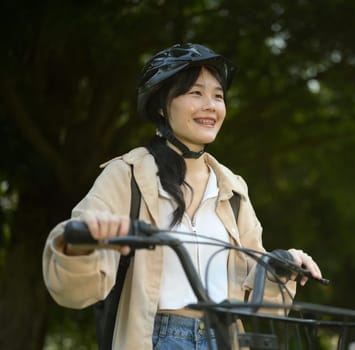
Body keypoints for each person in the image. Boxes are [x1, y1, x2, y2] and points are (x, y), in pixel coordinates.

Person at [42, 43, 322, 350]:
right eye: (195, 93)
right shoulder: (127, 175)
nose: (211, 105)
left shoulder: (233, 188)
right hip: (155, 338)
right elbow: (73, 290)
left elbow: (258, 301)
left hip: (224, 339)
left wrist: (282, 265)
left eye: (218, 95)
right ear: (162, 105)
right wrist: (81, 245)